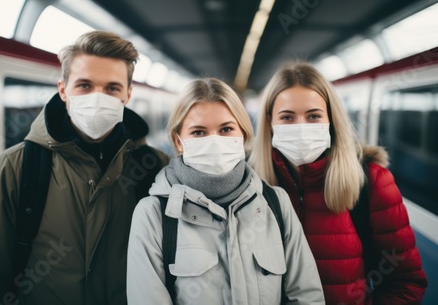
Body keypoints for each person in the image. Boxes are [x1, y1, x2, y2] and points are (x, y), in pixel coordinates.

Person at [0, 31, 169, 304]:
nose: (98, 98)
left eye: (112, 88)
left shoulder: (156, 168)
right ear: (63, 90)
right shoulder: (17, 167)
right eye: (84, 85)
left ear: (127, 94)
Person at [127, 77, 325, 304]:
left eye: (226, 129)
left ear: (243, 135)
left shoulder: (276, 204)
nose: (214, 141)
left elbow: (307, 295)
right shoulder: (152, 215)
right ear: (178, 141)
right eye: (199, 132)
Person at [248, 60, 428, 304]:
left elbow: (406, 283)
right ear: (270, 122)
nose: (301, 127)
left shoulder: (371, 181)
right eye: (288, 117)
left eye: (313, 116)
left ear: (330, 120)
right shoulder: (249, 184)